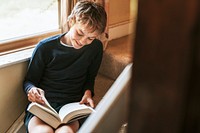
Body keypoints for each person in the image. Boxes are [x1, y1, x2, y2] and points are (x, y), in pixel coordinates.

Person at [23, 1, 107, 133]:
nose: (83, 41)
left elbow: (90, 79)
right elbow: (29, 81)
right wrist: (31, 90)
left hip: (72, 108)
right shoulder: (45, 48)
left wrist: (88, 93)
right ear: (71, 21)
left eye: (90, 38)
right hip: (43, 107)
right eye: (80, 33)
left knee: (65, 132)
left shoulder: (95, 48)